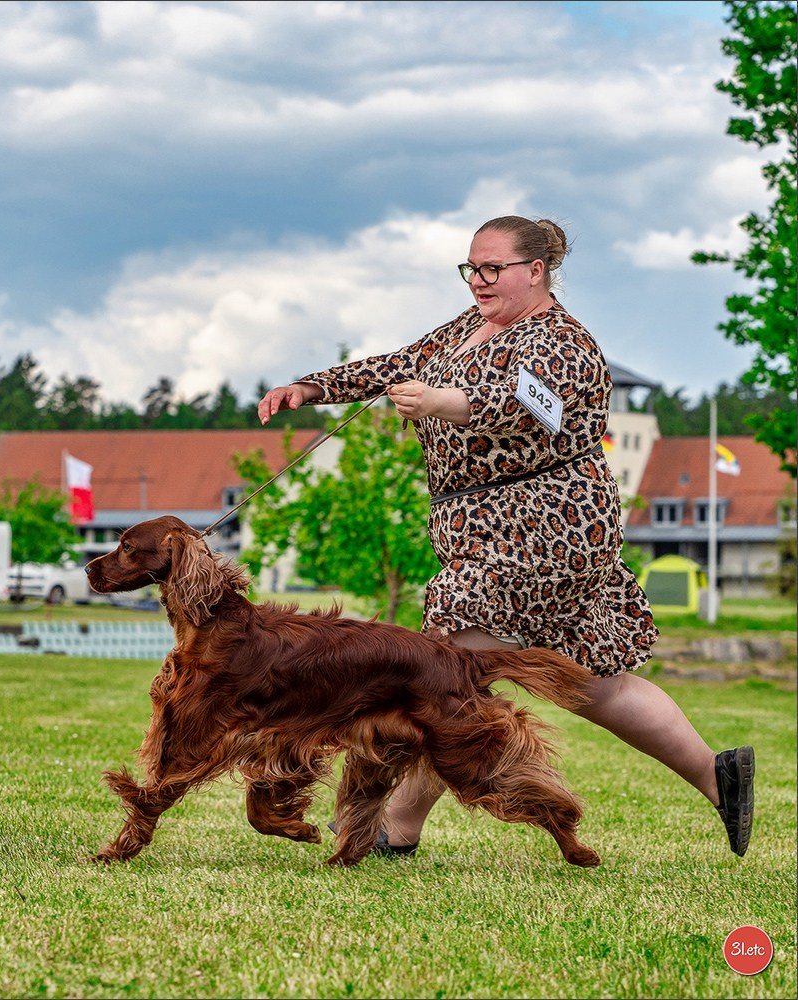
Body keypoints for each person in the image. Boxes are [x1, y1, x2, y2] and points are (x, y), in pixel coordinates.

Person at [257, 215, 754, 860]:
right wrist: (311, 388)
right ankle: (721, 778)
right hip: (486, 529)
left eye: (492, 269)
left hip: (543, 532)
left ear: (536, 272)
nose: (478, 281)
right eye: (471, 268)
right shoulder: (468, 328)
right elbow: (398, 364)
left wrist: (446, 404)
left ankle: (396, 825)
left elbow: (527, 404)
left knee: (447, 668)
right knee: (592, 679)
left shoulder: (563, 343)